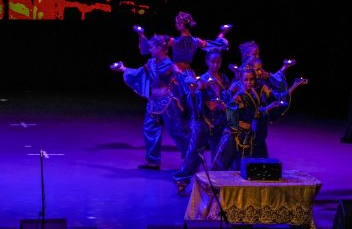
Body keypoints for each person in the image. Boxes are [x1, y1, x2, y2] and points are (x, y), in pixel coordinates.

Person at [111, 34, 191, 170]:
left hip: (167, 103)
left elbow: (180, 76)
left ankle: (190, 159)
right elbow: (139, 73)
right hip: (153, 102)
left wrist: (189, 81)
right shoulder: (151, 63)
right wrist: (124, 69)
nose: (150, 49)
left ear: (160, 48)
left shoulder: (169, 64)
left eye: (152, 47)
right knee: (150, 129)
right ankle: (153, 161)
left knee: (176, 131)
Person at [172, 50, 230, 191]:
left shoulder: (224, 78)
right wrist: (200, 99)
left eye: (218, 62)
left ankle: (215, 182)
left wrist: (224, 104)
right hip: (204, 120)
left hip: (220, 120)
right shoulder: (202, 80)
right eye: (212, 62)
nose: (215, 65)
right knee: (195, 152)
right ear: (207, 62)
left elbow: (228, 96)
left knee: (219, 152)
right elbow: (194, 101)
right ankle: (182, 179)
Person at [211, 65, 283, 171]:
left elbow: (255, 112)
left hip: (246, 135)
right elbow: (231, 114)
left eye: (251, 79)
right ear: (241, 80)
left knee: (241, 168)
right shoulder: (239, 96)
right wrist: (223, 106)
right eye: (246, 80)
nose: (249, 82)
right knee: (222, 165)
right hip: (234, 135)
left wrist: (270, 106)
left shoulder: (253, 94)